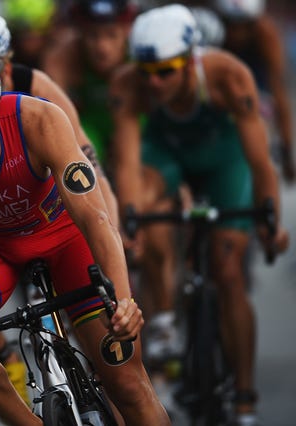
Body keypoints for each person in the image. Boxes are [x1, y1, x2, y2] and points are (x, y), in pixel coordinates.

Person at [0, 45, 171, 425]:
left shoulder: (39, 121)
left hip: (63, 234)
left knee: (127, 384)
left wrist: (123, 301)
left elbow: (95, 220)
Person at [108, 4, 289, 424]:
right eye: (146, 71)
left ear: (191, 60)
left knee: (227, 273)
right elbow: (130, 165)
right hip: (167, 157)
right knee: (147, 209)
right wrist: (130, 224)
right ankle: (167, 319)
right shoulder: (127, 84)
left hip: (224, 160)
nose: (154, 82)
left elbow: (260, 161)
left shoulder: (227, 74)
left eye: (166, 70)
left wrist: (270, 222)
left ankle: (244, 397)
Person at [0, 8, 119, 405]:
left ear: (8, 63)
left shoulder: (39, 91)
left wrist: (114, 253)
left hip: (54, 218)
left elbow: (90, 172)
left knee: (123, 380)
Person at [42, 0, 137, 171]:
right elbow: (53, 117)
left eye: (111, 34)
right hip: (90, 128)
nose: (102, 47)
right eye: (93, 35)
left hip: (135, 122)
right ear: (81, 34)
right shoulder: (62, 57)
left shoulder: (139, 53)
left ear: (126, 31)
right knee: (76, 151)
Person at [213, 0, 296, 183]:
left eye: (245, 25)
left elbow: (279, 93)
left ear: (255, 22)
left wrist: (287, 150)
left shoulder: (266, 35)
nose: (237, 33)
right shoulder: (215, 33)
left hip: (259, 97)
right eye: (231, 25)